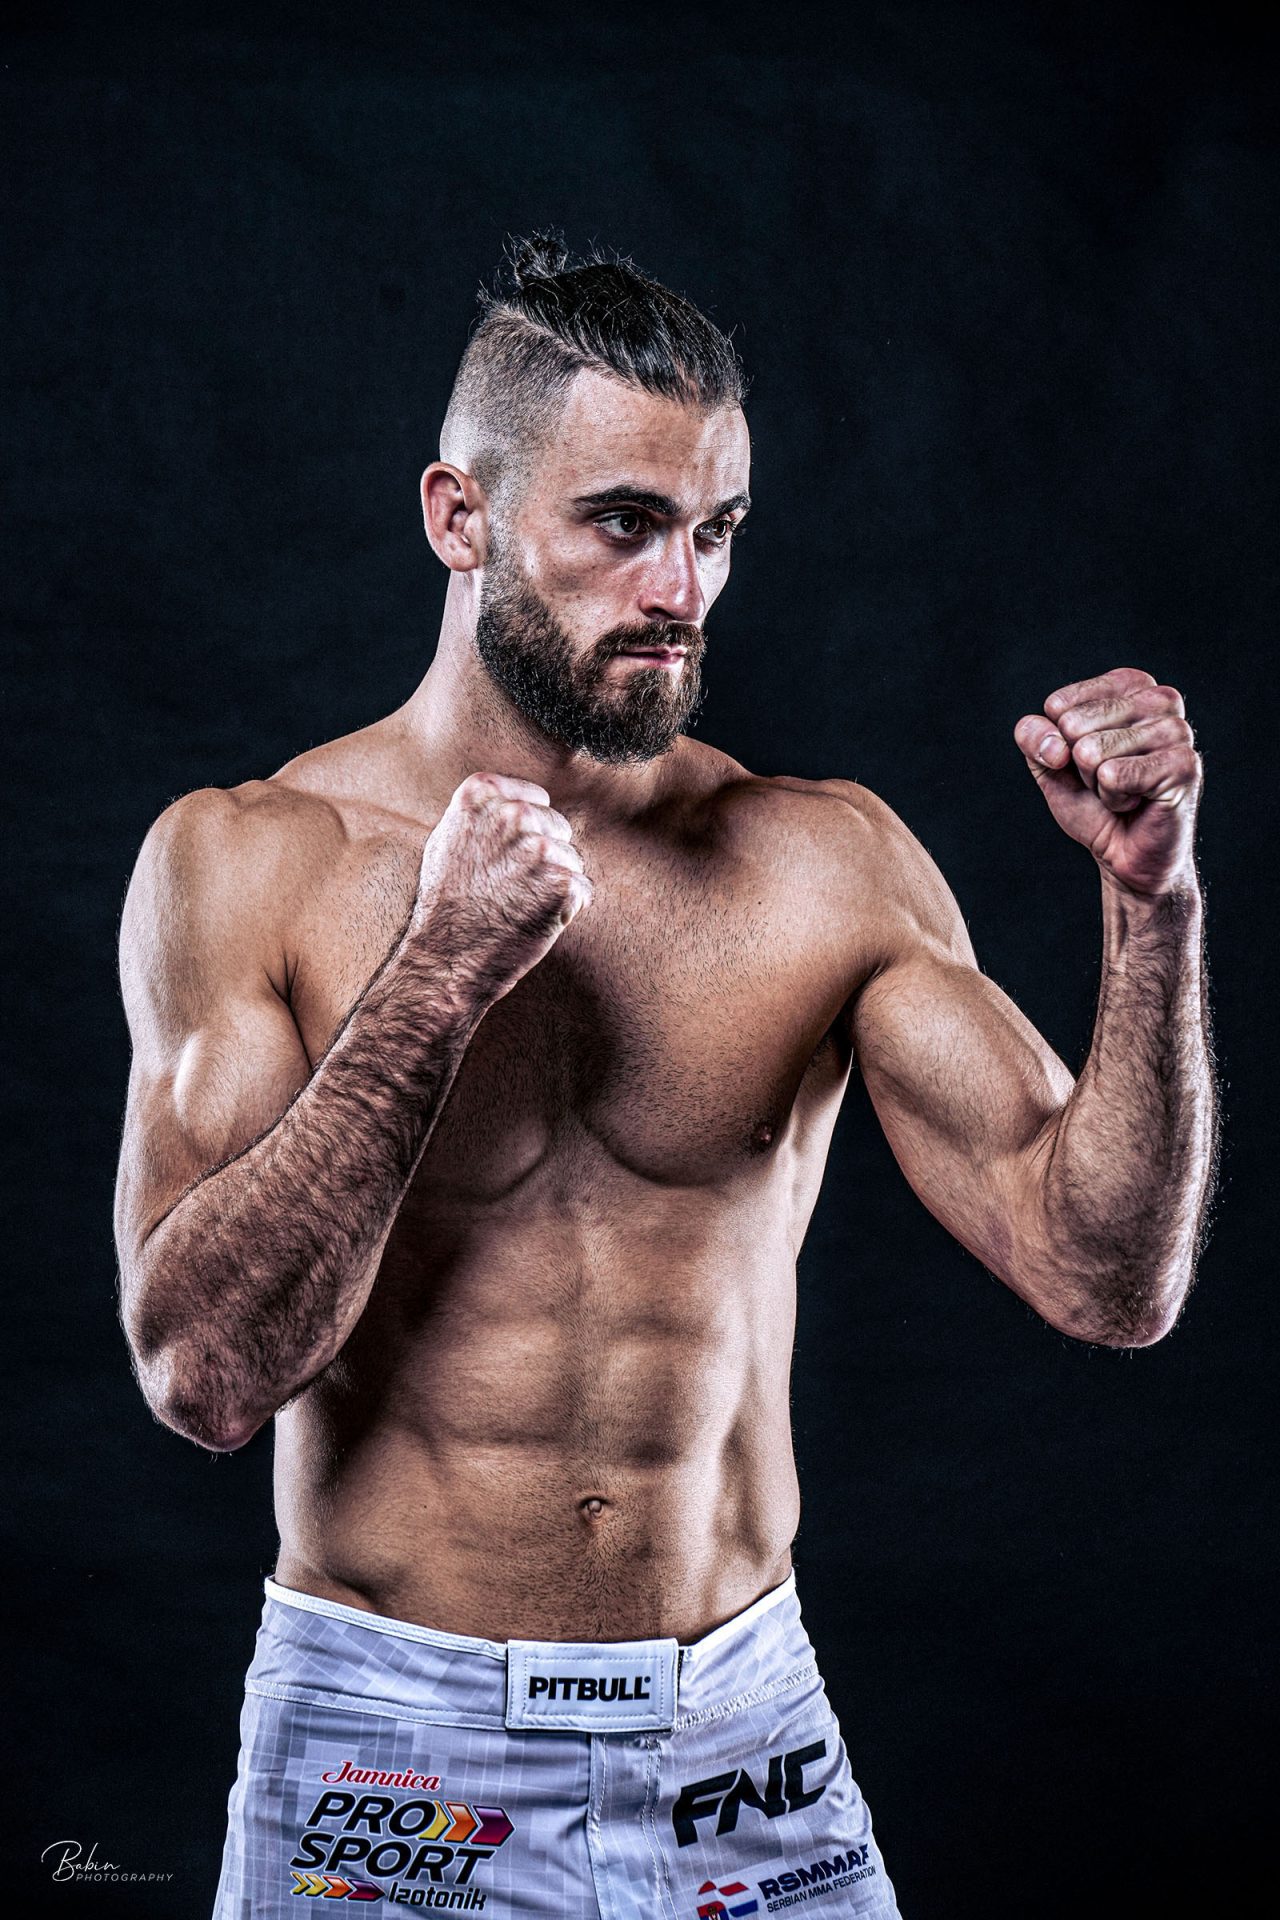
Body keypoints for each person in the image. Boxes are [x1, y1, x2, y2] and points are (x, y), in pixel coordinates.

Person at [113, 234, 1217, 1919]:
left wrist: (1153, 909)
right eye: (624, 523)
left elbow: (1108, 1278)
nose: (681, 590)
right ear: (461, 517)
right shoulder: (250, 861)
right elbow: (201, 1373)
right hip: (392, 1755)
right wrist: (437, 979)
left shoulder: (822, 863)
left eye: (715, 532)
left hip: (743, 1742)